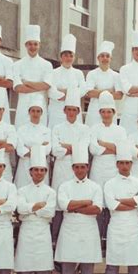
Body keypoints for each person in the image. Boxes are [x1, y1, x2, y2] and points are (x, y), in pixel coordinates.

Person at [55, 143, 103, 274]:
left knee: (87, 267)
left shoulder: (95, 187)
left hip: (89, 228)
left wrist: (75, 207)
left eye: (83, 167)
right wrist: (85, 203)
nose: (80, 170)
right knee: (68, 266)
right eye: (77, 167)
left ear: (87, 167)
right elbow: (64, 205)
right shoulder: (65, 186)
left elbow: (97, 209)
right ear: (73, 168)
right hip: (69, 228)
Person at [99, 141, 138, 274]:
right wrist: (130, 202)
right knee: (112, 265)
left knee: (134, 265)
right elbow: (112, 205)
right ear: (117, 164)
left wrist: (121, 200)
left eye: (127, 163)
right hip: (116, 226)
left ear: (131, 164)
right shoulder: (110, 183)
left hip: (133, 225)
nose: (125, 166)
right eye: (122, 163)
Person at [15, 146, 57, 274]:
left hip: (42, 230)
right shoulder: (22, 190)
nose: (39, 173)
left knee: (43, 267)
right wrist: (37, 206)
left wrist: (29, 209)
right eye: (36, 170)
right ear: (30, 172)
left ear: (45, 172)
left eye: (42, 170)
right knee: (25, 266)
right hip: (27, 230)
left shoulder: (50, 192)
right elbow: (20, 209)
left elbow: (50, 212)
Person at [50, 88, 90, 241]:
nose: (71, 113)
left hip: (78, 170)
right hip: (61, 169)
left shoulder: (84, 129)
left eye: (74, 110)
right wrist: (75, 148)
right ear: (64, 110)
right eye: (69, 110)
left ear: (78, 111)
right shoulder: (57, 128)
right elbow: (55, 150)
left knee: (77, 203)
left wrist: (66, 146)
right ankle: (56, 241)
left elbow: (83, 148)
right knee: (60, 205)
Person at [89, 91, 127, 236]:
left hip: (114, 169)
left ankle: (111, 237)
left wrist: (103, 143)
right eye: (103, 112)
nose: (106, 115)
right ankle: (98, 237)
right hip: (98, 168)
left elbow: (122, 149)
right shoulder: (94, 128)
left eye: (109, 112)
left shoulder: (120, 130)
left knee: (112, 202)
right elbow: (93, 149)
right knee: (98, 203)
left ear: (114, 112)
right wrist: (113, 148)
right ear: (100, 113)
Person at [12, 24, 52, 128]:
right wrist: (39, 86)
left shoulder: (47, 65)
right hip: (23, 107)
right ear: (25, 45)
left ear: (39, 45)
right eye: (30, 44)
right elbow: (18, 88)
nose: (32, 47)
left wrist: (27, 83)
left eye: (35, 44)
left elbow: (46, 86)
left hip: (40, 107)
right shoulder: (17, 65)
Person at [48, 34, 86, 128]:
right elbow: (51, 92)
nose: (68, 58)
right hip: (56, 111)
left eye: (71, 56)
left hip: (74, 112)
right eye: (65, 55)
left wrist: (64, 92)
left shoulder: (78, 73)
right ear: (61, 57)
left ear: (74, 57)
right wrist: (72, 93)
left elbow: (83, 90)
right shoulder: (53, 72)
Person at [15, 95, 52, 188]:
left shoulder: (47, 131)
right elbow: (20, 150)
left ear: (41, 113)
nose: (35, 114)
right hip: (24, 166)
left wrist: (29, 148)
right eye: (33, 111)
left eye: (38, 111)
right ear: (29, 112)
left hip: (41, 167)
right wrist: (39, 148)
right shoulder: (21, 129)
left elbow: (47, 150)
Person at [85, 41, 123, 127]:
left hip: (110, 112)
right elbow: (90, 93)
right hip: (94, 111)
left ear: (111, 59)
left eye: (107, 56)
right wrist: (110, 91)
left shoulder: (116, 75)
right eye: (102, 56)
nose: (105, 58)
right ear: (98, 58)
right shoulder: (92, 74)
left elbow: (119, 95)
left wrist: (97, 92)